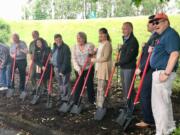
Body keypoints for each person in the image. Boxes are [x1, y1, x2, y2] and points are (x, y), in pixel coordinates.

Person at [149, 12, 180, 135]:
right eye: (154, 23)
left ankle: (161, 132)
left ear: (166, 22)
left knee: (159, 106)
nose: (155, 25)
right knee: (164, 103)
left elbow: (174, 54)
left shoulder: (170, 35)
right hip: (160, 73)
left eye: (158, 22)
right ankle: (169, 128)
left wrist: (166, 74)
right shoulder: (162, 35)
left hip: (163, 74)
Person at [135, 15, 157, 127]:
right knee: (147, 94)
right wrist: (144, 47)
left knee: (144, 94)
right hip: (147, 69)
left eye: (148, 24)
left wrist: (141, 68)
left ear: (154, 24)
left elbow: (151, 56)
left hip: (149, 70)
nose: (146, 26)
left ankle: (149, 120)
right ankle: (151, 118)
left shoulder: (156, 36)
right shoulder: (152, 36)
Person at [115, 22, 139, 112]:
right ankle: (128, 105)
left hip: (129, 68)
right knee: (125, 87)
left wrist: (118, 63)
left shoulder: (133, 41)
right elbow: (125, 52)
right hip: (124, 67)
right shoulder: (126, 39)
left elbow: (129, 57)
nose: (123, 30)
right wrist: (122, 48)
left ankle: (129, 107)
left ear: (131, 29)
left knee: (128, 88)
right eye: (122, 28)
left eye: (125, 28)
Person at [72, 32, 95, 106]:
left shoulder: (90, 45)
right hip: (78, 69)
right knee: (79, 84)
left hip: (88, 68)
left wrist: (90, 60)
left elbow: (93, 56)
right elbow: (73, 59)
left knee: (89, 84)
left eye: (80, 38)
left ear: (84, 38)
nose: (78, 39)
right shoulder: (74, 47)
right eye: (77, 38)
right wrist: (78, 69)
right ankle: (76, 101)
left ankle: (91, 100)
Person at [91, 28, 112, 109]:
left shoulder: (107, 44)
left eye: (102, 34)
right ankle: (102, 105)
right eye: (99, 34)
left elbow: (105, 58)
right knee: (100, 88)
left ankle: (102, 106)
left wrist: (95, 60)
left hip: (104, 69)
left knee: (102, 88)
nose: (100, 35)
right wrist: (95, 52)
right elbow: (99, 55)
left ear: (106, 34)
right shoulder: (100, 44)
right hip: (99, 68)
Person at [51, 34, 71, 101]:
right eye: (56, 40)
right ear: (54, 40)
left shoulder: (65, 47)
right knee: (60, 83)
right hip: (56, 68)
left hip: (64, 69)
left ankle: (67, 97)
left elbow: (66, 60)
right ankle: (62, 95)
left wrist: (62, 71)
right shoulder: (55, 47)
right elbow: (53, 56)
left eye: (59, 39)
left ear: (62, 39)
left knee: (65, 83)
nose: (58, 41)